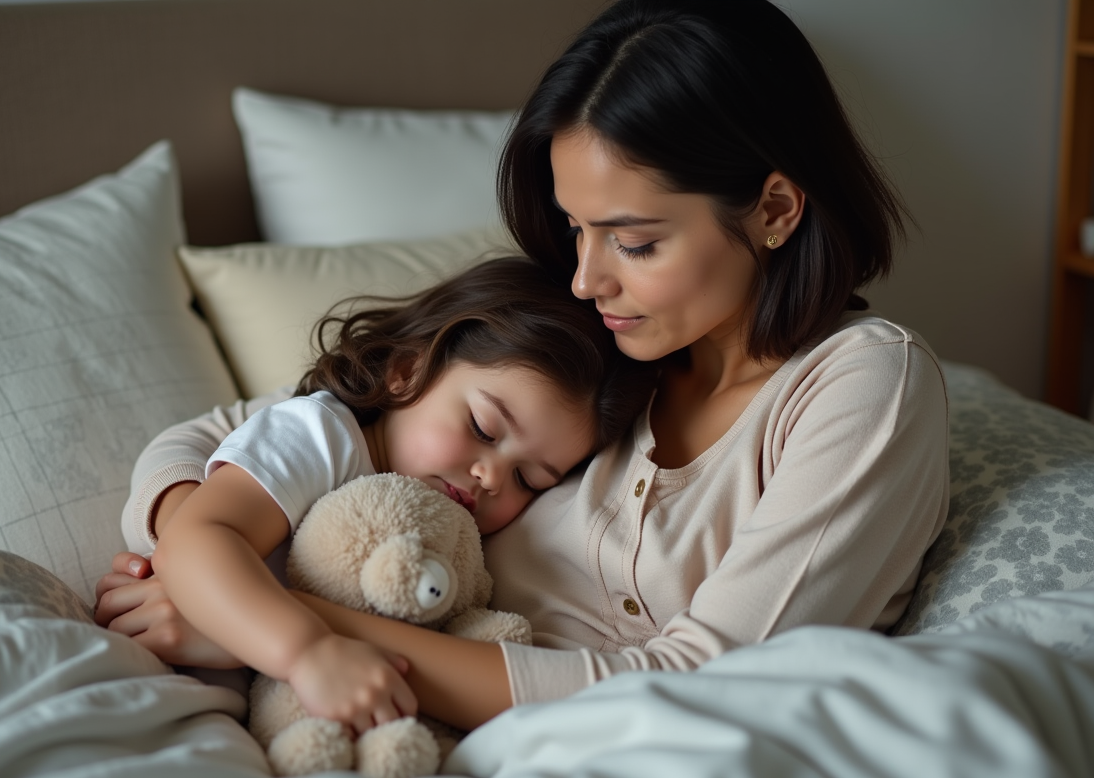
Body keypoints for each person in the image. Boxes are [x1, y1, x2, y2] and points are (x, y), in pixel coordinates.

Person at [96, 0, 949, 735]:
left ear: (772, 209)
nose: (587, 276)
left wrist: (263, 618)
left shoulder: (860, 387)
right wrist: (201, 548)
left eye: (636, 240)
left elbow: (708, 685)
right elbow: (231, 432)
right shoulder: (599, 340)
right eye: (577, 229)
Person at [102, 255, 656, 735]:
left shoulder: (448, 527)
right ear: (406, 370)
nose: (491, 476)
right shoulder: (319, 436)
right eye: (484, 429)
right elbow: (197, 540)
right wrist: (308, 651)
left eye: (528, 479)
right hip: (193, 676)